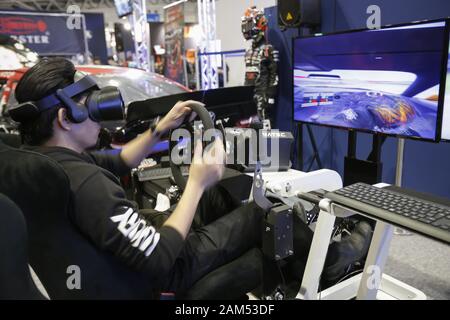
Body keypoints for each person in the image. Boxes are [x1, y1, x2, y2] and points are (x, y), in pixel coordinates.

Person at [13, 58, 372, 299]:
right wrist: (196, 182)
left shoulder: (44, 162)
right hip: (156, 269)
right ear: (65, 117)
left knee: (216, 199)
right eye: (89, 107)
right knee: (259, 215)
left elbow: (122, 159)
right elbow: (157, 259)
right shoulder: (85, 184)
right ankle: (333, 259)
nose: (97, 116)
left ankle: (302, 261)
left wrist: (159, 129)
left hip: (120, 257)